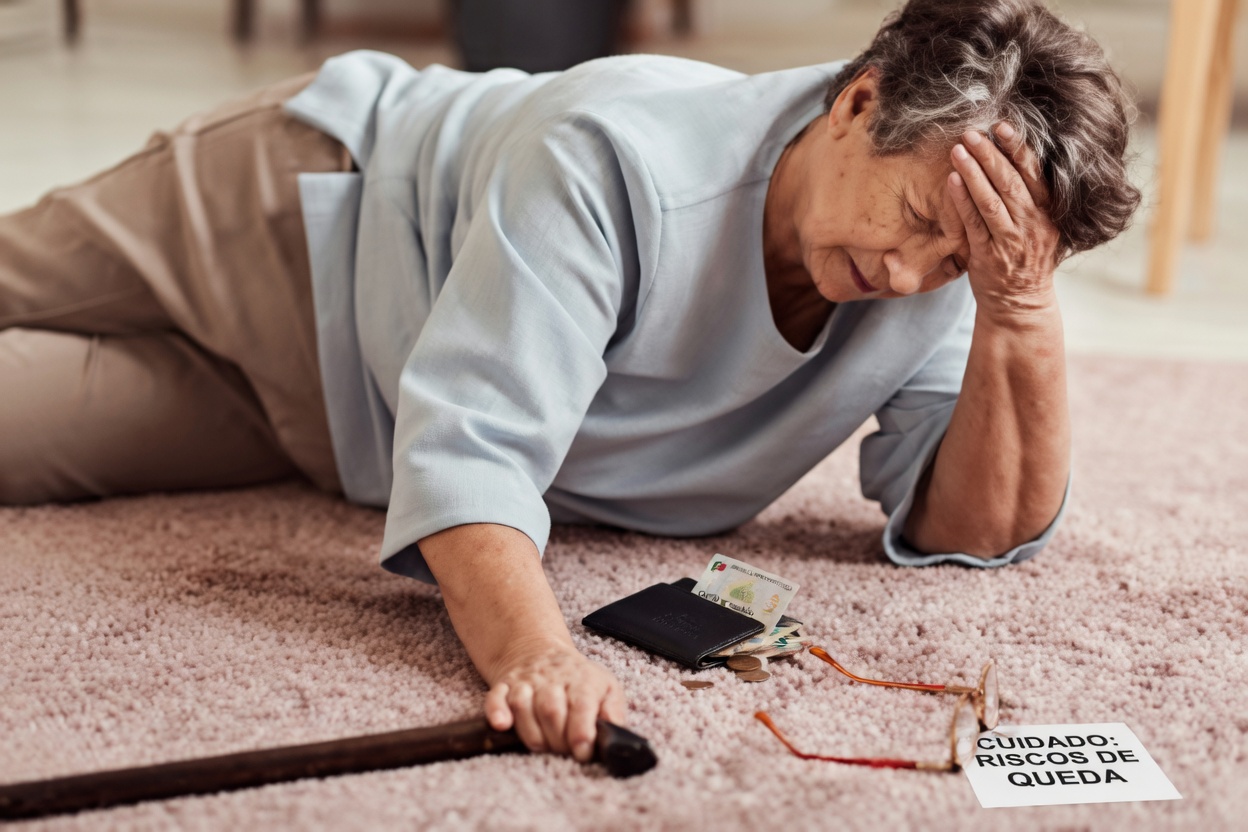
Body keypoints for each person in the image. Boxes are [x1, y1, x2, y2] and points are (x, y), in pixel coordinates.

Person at [0, 0, 1140, 764]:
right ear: (858, 102)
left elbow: (972, 527)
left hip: (341, 418)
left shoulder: (944, 274)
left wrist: (1017, 309)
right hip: (293, 216)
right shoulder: (616, 155)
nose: (907, 274)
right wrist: (539, 652)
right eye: (918, 221)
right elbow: (475, 454)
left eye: (961, 262)